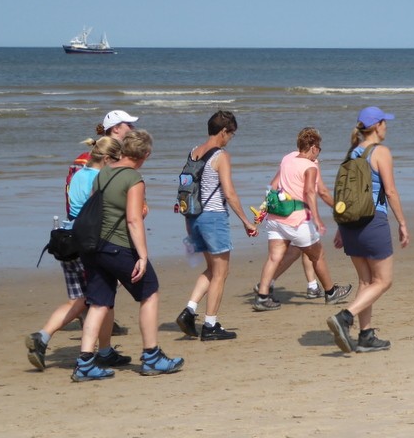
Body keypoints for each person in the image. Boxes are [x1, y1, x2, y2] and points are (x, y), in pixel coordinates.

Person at [73, 130, 184, 381]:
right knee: (150, 291)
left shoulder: (103, 172)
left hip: (93, 246)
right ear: (145, 154)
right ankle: (152, 356)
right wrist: (142, 256)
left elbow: (96, 206)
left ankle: (85, 362)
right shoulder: (134, 178)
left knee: (99, 302)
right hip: (117, 246)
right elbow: (134, 220)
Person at [25, 137, 131, 371]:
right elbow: (104, 214)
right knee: (102, 298)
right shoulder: (99, 179)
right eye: (115, 160)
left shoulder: (78, 174)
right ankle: (100, 351)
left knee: (80, 300)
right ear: (106, 159)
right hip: (87, 244)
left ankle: (45, 338)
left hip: (67, 239)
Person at [327, 106, 409, 353]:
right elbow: (391, 191)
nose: (387, 127)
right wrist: (403, 223)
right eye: (385, 123)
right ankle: (346, 316)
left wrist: (341, 226)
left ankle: (366, 335)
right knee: (384, 281)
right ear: (378, 125)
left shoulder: (352, 153)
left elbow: (344, 194)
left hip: (350, 223)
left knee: (365, 281)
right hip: (373, 221)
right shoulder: (380, 152)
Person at [175, 111, 258, 341]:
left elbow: (186, 185)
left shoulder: (194, 152)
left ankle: (189, 311)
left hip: (193, 217)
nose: (230, 138)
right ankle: (210, 324)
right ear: (224, 131)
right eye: (231, 134)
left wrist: (187, 222)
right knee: (221, 272)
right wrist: (246, 221)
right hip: (213, 217)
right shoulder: (221, 156)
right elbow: (229, 193)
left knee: (212, 270)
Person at [253, 127, 352, 311]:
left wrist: (264, 208)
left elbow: (273, 184)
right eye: (319, 148)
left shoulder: (287, 158)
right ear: (313, 147)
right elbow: (314, 191)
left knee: (274, 258)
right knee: (318, 255)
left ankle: (262, 296)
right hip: (296, 220)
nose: (319, 152)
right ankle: (331, 292)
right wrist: (320, 217)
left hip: (276, 217)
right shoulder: (310, 166)